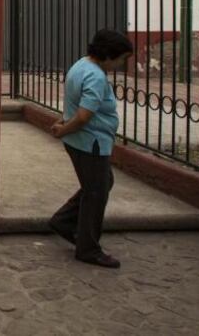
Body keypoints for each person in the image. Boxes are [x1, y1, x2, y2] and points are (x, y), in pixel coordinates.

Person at [48, 29, 134, 269]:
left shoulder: (81, 65)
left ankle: (63, 221)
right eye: (121, 59)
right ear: (108, 55)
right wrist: (63, 130)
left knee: (101, 183)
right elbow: (85, 115)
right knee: (96, 193)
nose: (121, 64)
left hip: (82, 141)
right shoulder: (95, 76)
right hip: (90, 142)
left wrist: (64, 125)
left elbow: (75, 105)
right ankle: (88, 248)